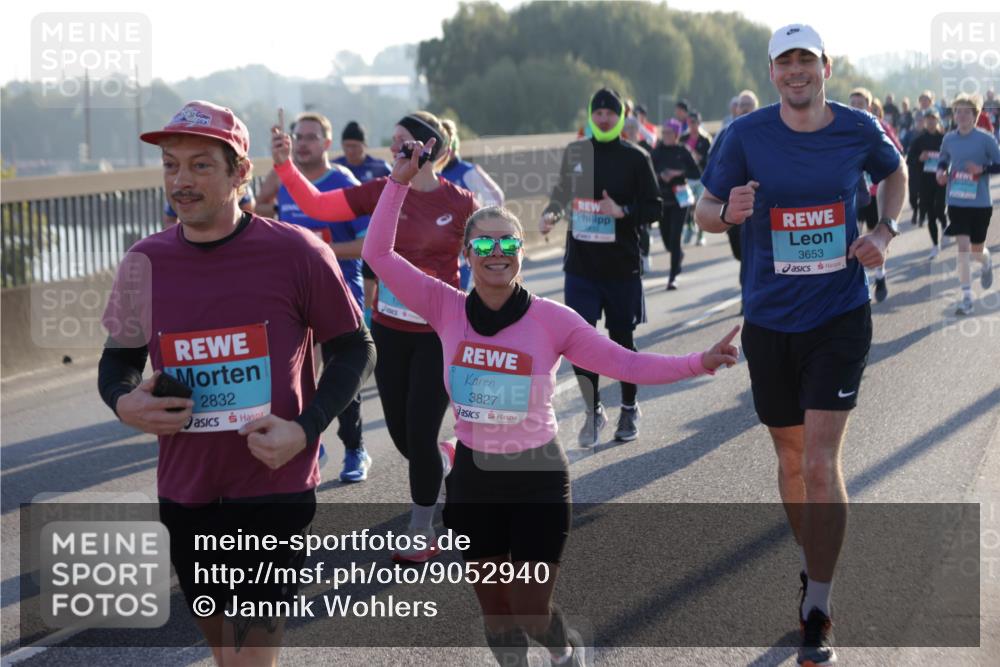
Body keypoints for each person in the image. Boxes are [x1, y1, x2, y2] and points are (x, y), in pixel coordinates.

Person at [363, 136, 740, 667]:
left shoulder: (552, 320)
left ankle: (565, 655)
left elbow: (626, 364)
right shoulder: (444, 306)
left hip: (537, 476)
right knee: (495, 612)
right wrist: (398, 183)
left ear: (521, 253)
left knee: (531, 609)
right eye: (485, 246)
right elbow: (379, 254)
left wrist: (698, 361)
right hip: (473, 477)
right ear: (466, 255)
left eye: (508, 245)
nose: (497, 254)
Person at [98, 100, 375, 666]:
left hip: (275, 480)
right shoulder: (142, 262)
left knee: (253, 653)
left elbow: (354, 348)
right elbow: (118, 360)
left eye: (201, 165)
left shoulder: (297, 252)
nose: (182, 181)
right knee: (224, 650)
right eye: (171, 165)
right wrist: (124, 402)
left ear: (240, 172)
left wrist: (306, 429)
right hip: (186, 486)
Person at [695, 24, 906, 666]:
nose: (795, 71)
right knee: (789, 460)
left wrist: (886, 228)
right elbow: (703, 211)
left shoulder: (857, 129)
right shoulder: (745, 135)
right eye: (784, 62)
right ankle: (814, 560)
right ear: (771, 73)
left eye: (805, 61)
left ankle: (818, 601)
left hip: (839, 314)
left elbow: (894, 176)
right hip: (770, 322)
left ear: (826, 68)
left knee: (819, 462)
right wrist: (727, 212)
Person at [272, 110, 478, 562]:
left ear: (427, 150)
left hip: (436, 333)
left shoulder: (461, 202)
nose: (393, 149)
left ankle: (422, 530)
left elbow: (486, 256)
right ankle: (445, 460)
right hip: (387, 328)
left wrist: (486, 315)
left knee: (419, 436)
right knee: (406, 439)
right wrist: (286, 165)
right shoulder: (382, 191)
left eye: (403, 141)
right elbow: (318, 207)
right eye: (392, 140)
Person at [539, 87, 662, 445]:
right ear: (591, 115)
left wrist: (623, 212)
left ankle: (629, 406)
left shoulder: (636, 157)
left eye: (610, 113)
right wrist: (552, 213)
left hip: (622, 267)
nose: (604, 118)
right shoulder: (576, 152)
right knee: (580, 343)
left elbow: (655, 207)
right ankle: (593, 412)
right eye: (598, 113)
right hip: (581, 266)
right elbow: (561, 193)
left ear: (621, 118)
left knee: (622, 341)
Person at [264, 111, 373, 483]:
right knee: (296, 378)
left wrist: (319, 250)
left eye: (311, 136)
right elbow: (261, 207)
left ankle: (355, 447)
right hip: (293, 299)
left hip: (341, 294)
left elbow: (368, 245)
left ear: (327, 143)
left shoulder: (343, 181)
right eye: (299, 136)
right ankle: (312, 443)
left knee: (341, 378)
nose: (304, 142)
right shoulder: (284, 183)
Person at [936, 93, 1000, 315]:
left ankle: (986, 261)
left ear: (975, 115)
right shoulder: (949, 138)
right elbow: (943, 158)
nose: (961, 115)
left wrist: (982, 169)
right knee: (962, 248)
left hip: (981, 203)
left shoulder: (986, 139)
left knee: (975, 251)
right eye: (957, 111)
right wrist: (941, 171)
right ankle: (966, 297)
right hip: (956, 201)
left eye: (966, 111)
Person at [333, 121, 392, 324]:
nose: (351, 151)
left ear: (364, 146)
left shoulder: (380, 167)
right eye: (347, 146)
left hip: (379, 233)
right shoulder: (337, 168)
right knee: (361, 280)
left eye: (355, 146)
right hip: (352, 234)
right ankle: (365, 318)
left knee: (378, 278)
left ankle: (376, 317)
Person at [439, 118, 505, 291]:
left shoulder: (468, 172)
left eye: (446, 143)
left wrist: (474, 233)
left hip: (464, 254)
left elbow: (496, 200)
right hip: (438, 253)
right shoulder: (431, 175)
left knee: (461, 303)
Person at [651, 118, 701, 289]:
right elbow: (648, 172)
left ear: (676, 134)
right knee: (667, 241)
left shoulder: (683, 151)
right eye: (663, 132)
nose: (665, 136)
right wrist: (660, 176)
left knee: (675, 237)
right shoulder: (657, 152)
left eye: (669, 133)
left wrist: (677, 173)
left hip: (681, 200)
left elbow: (696, 171)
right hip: (664, 200)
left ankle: (673, 277)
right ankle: (678, 255)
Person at [908, 108, 947, 258]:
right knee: (930, 214)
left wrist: (947, 170)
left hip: (941, 180)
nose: (931, 122)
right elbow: (909, 160)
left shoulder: (945, 139)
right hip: (925, 182)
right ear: (924, 121)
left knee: (939, 208)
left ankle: (944, 224)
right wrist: (919, 158)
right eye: (928, 119)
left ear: (938, 120)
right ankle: (935, 245)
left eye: (933, 119)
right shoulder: (918, 140)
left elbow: (953, 158)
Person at [163, 189, 255, 229]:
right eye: (169, 165)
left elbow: (249, 214)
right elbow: (169, 221)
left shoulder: (240, 189)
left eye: (201, 165)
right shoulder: (178, 192)